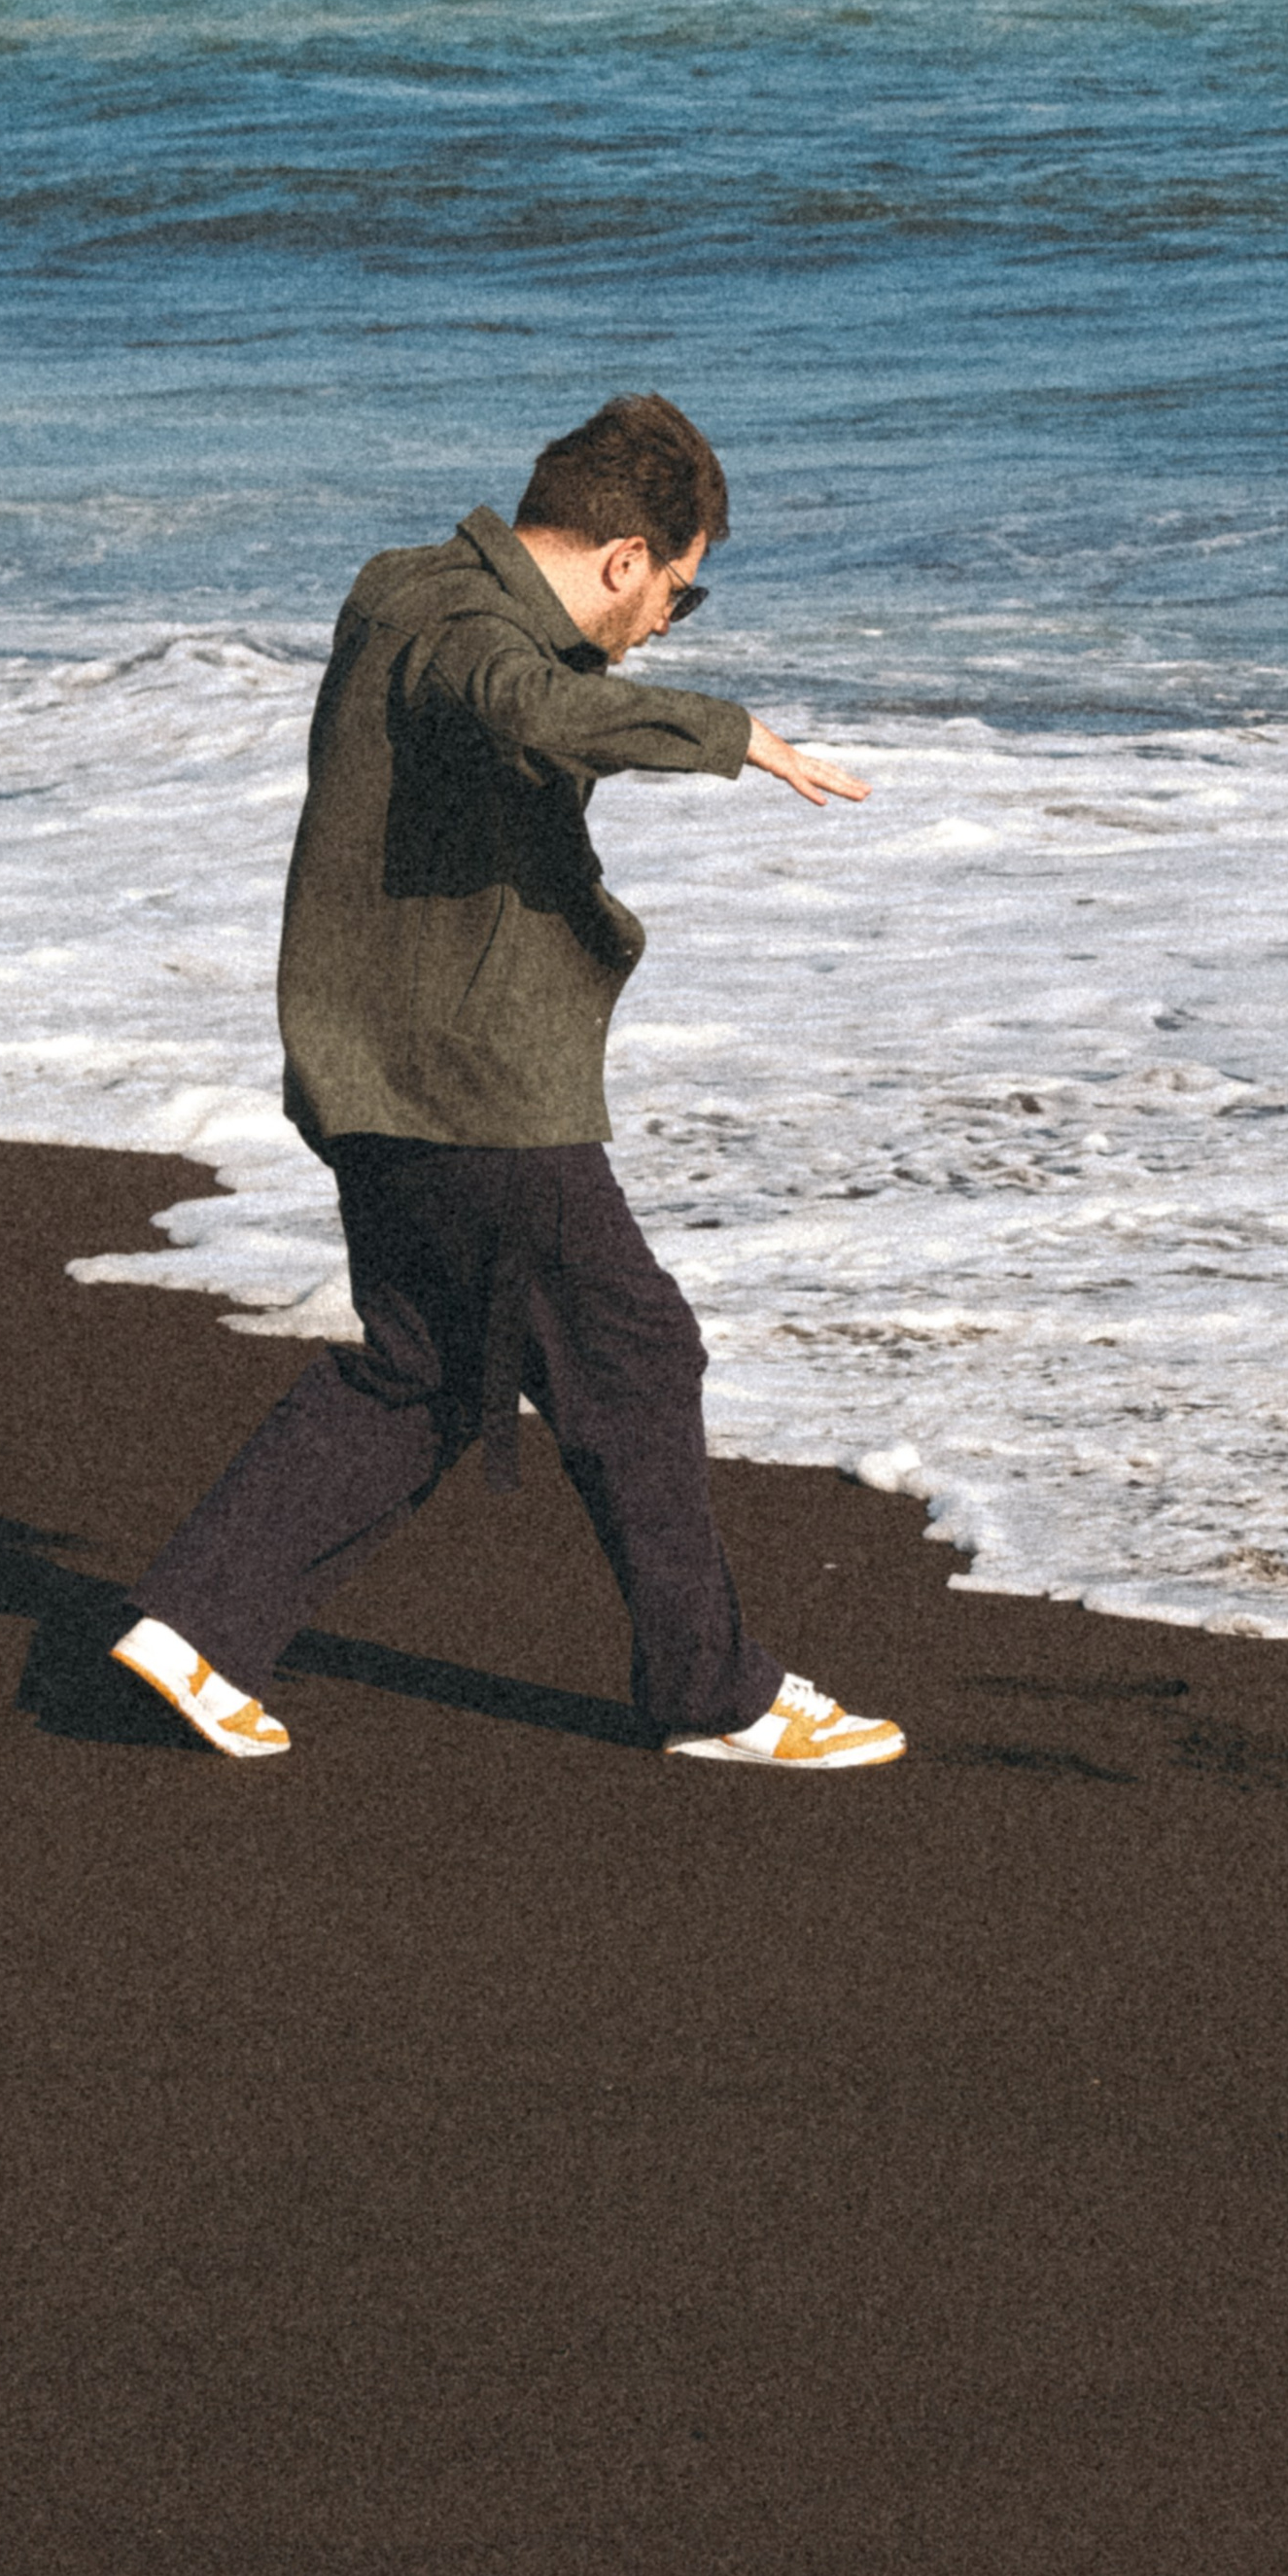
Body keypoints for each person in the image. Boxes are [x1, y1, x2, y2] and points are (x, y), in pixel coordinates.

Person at [110, 392, 904, 1773]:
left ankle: (198, 1628)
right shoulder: (468, 631)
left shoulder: (398, 587)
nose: (667, 624)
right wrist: (727, 735)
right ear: (625, 558)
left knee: (425, 1370)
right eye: (680, 594)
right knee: (636, 1355)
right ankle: (713, 1694)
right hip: (476, 1088)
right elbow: (521, 703)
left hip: (373, 1069)